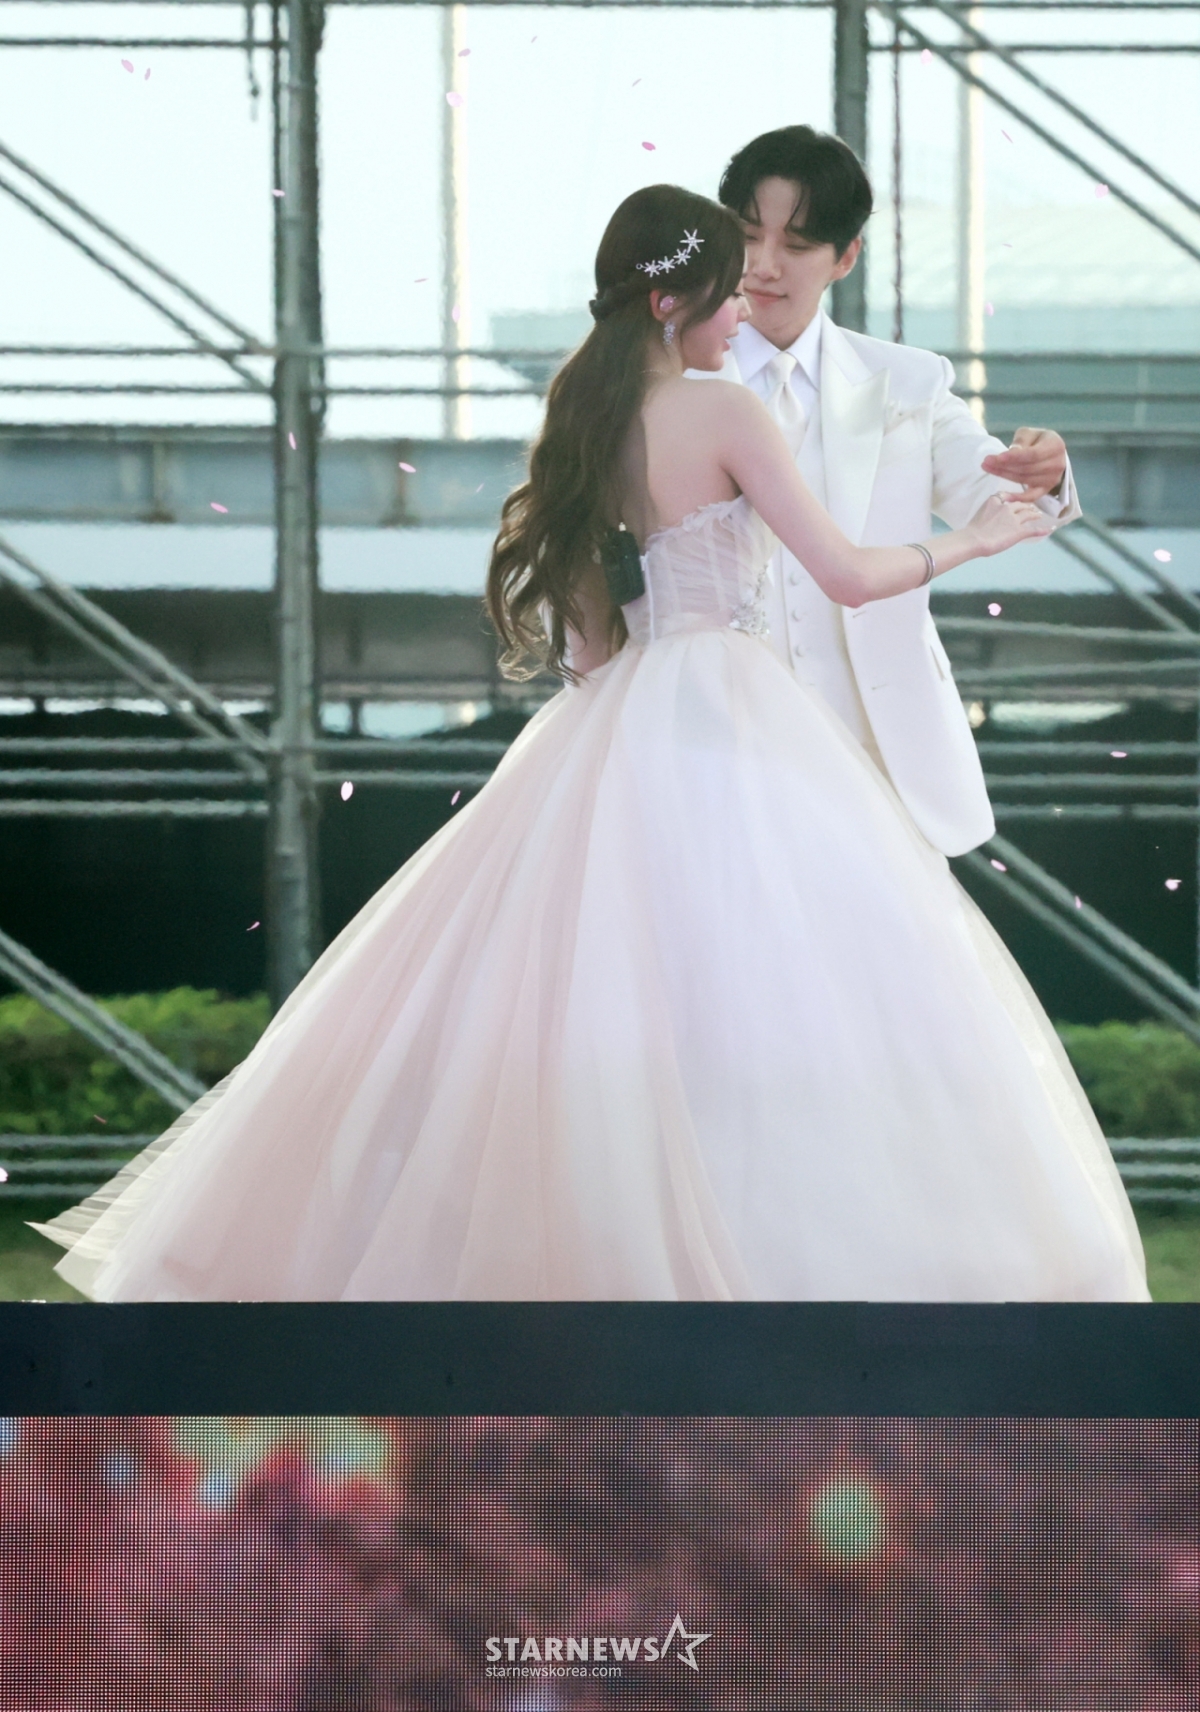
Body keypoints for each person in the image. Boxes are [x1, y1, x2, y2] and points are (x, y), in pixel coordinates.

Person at [34, 185, 1148, 1304]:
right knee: (773, 998)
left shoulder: (586, 429)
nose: (741, 315)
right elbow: (850, 575)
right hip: (733, 716)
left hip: (619, 715)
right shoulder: (724, 412)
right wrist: (974, 540)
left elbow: (588, 646)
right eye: (725, 294)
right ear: (672, 302)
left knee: (607, 1007)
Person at [707, 126, 1080, 854]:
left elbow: (1000, 496)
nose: (763, 266)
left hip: (880, 747)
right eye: (747, 236)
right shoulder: (672, 384)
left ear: (846, 256)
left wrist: (1046, 473)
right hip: (720, 746)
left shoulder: (908, 381)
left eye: (797, 245)